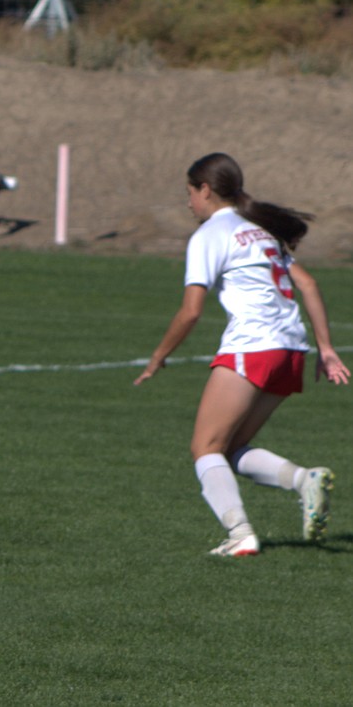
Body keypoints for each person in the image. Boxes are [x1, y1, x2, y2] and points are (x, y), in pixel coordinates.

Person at [134, 152, 349, 557]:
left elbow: (191, 311)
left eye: (190, 194)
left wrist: (158, 356)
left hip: (253, 346)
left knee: (205, 449)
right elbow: (310, 284)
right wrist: (325, 349)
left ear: (206, 190)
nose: (188, 204)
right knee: (231, 449)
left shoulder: (210, 236)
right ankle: (304, 480)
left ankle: (240, 533)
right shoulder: (261, 232)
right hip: (291, 352)